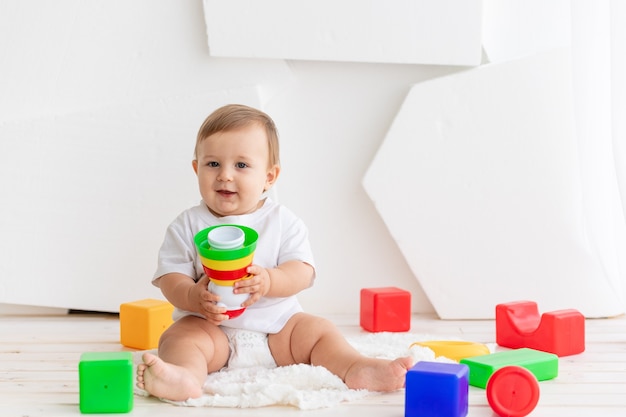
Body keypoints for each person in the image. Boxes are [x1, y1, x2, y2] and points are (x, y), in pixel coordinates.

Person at [136, 104, 414, 401]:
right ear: (196, 168)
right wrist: (193, 296)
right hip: (211, 331)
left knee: (319, 330)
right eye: (213, 164)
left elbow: (302, 271)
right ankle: (186, 376)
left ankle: (357, 367)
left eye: (241, 165)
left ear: (269, 177)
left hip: (279, 330)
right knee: (178, 338)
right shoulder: (187, 224)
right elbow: (170, 276)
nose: (225, 175)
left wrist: (269, 280)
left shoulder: (282, 222)